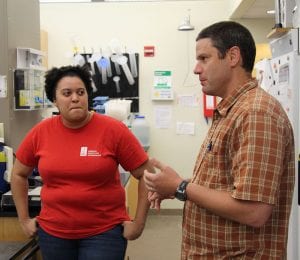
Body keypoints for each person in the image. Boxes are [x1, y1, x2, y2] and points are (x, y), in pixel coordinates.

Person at [144, 21, 295, 259]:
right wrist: (177, 186)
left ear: (233, 56)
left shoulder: (255, 113)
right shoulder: (232, 110)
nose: (196, 69)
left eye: (204, 58)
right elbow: (226, 185)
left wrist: (181, 187)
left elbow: (254, 210)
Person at [11, 65, 154, 260]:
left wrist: (139, 223)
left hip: (104, 233)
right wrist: (24, 220)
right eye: (66, 93)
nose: (75, 98)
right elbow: (19, 174)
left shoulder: (113, 130)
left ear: (88, 96)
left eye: (81, 92)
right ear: (54, 100)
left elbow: (148, 174)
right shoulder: (40, 132)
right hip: (53, 234)